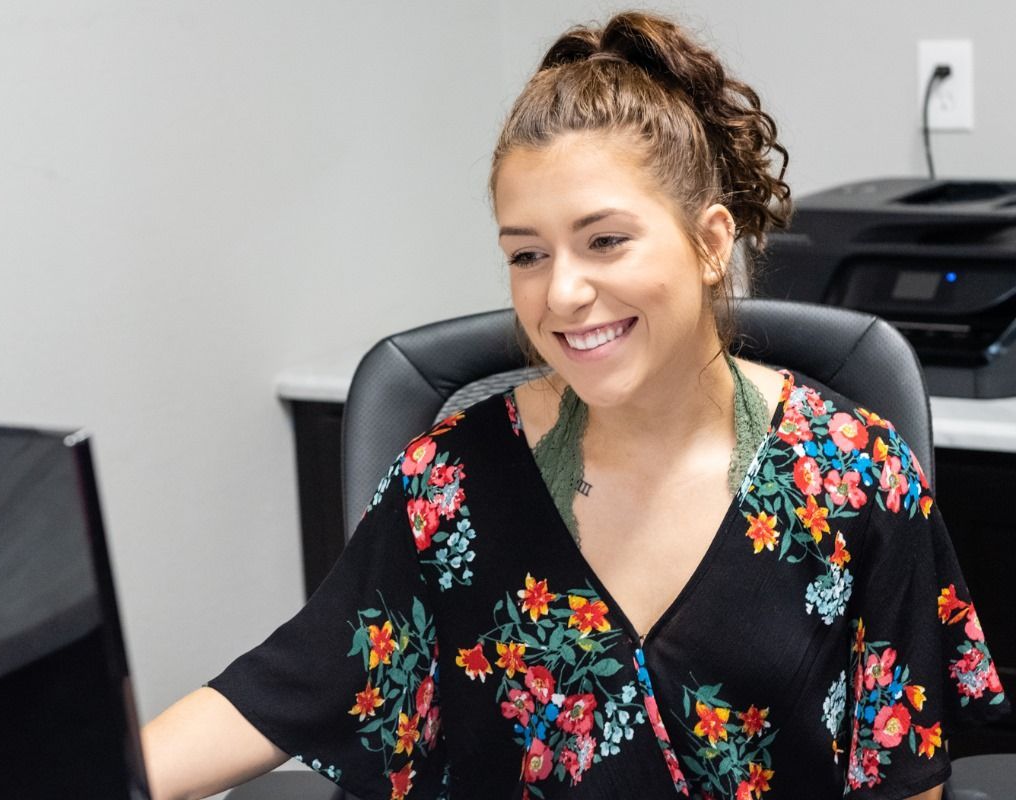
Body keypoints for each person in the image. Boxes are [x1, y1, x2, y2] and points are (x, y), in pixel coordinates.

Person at [142, 12, 1008, 799]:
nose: (562, 292)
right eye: (526, 255)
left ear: (710, 244)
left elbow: (905, 779)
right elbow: (272, 695)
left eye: (605, 241)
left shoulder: (854, 476)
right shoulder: (450, 486)